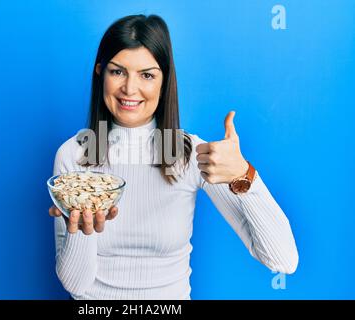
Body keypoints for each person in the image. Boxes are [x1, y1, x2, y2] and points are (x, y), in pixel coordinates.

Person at [48, 14, 298, 300]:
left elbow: (283, 260)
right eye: (117, 72)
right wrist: (81, 229)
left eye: (147, 75)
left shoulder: (190, 154)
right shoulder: (74, 155)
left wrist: (245, 175)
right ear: (99, 72)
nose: (130, 89)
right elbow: (76, 285)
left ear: (164, 81)